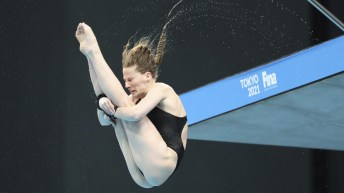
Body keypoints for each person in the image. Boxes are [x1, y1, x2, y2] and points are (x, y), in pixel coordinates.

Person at [75, 22, 188, 188]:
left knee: (123, 107)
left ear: (148, 76)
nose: (127, 85)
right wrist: (102, 102)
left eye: (130, 79)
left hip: (163, 162)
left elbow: (135, 114)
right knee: (117, 117)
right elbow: (104, 121)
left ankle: (94, 51)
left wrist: (114, 109)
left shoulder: (162, 89)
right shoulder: (133, 100)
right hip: (142, 176)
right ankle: (90, 57)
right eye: (125, 80)